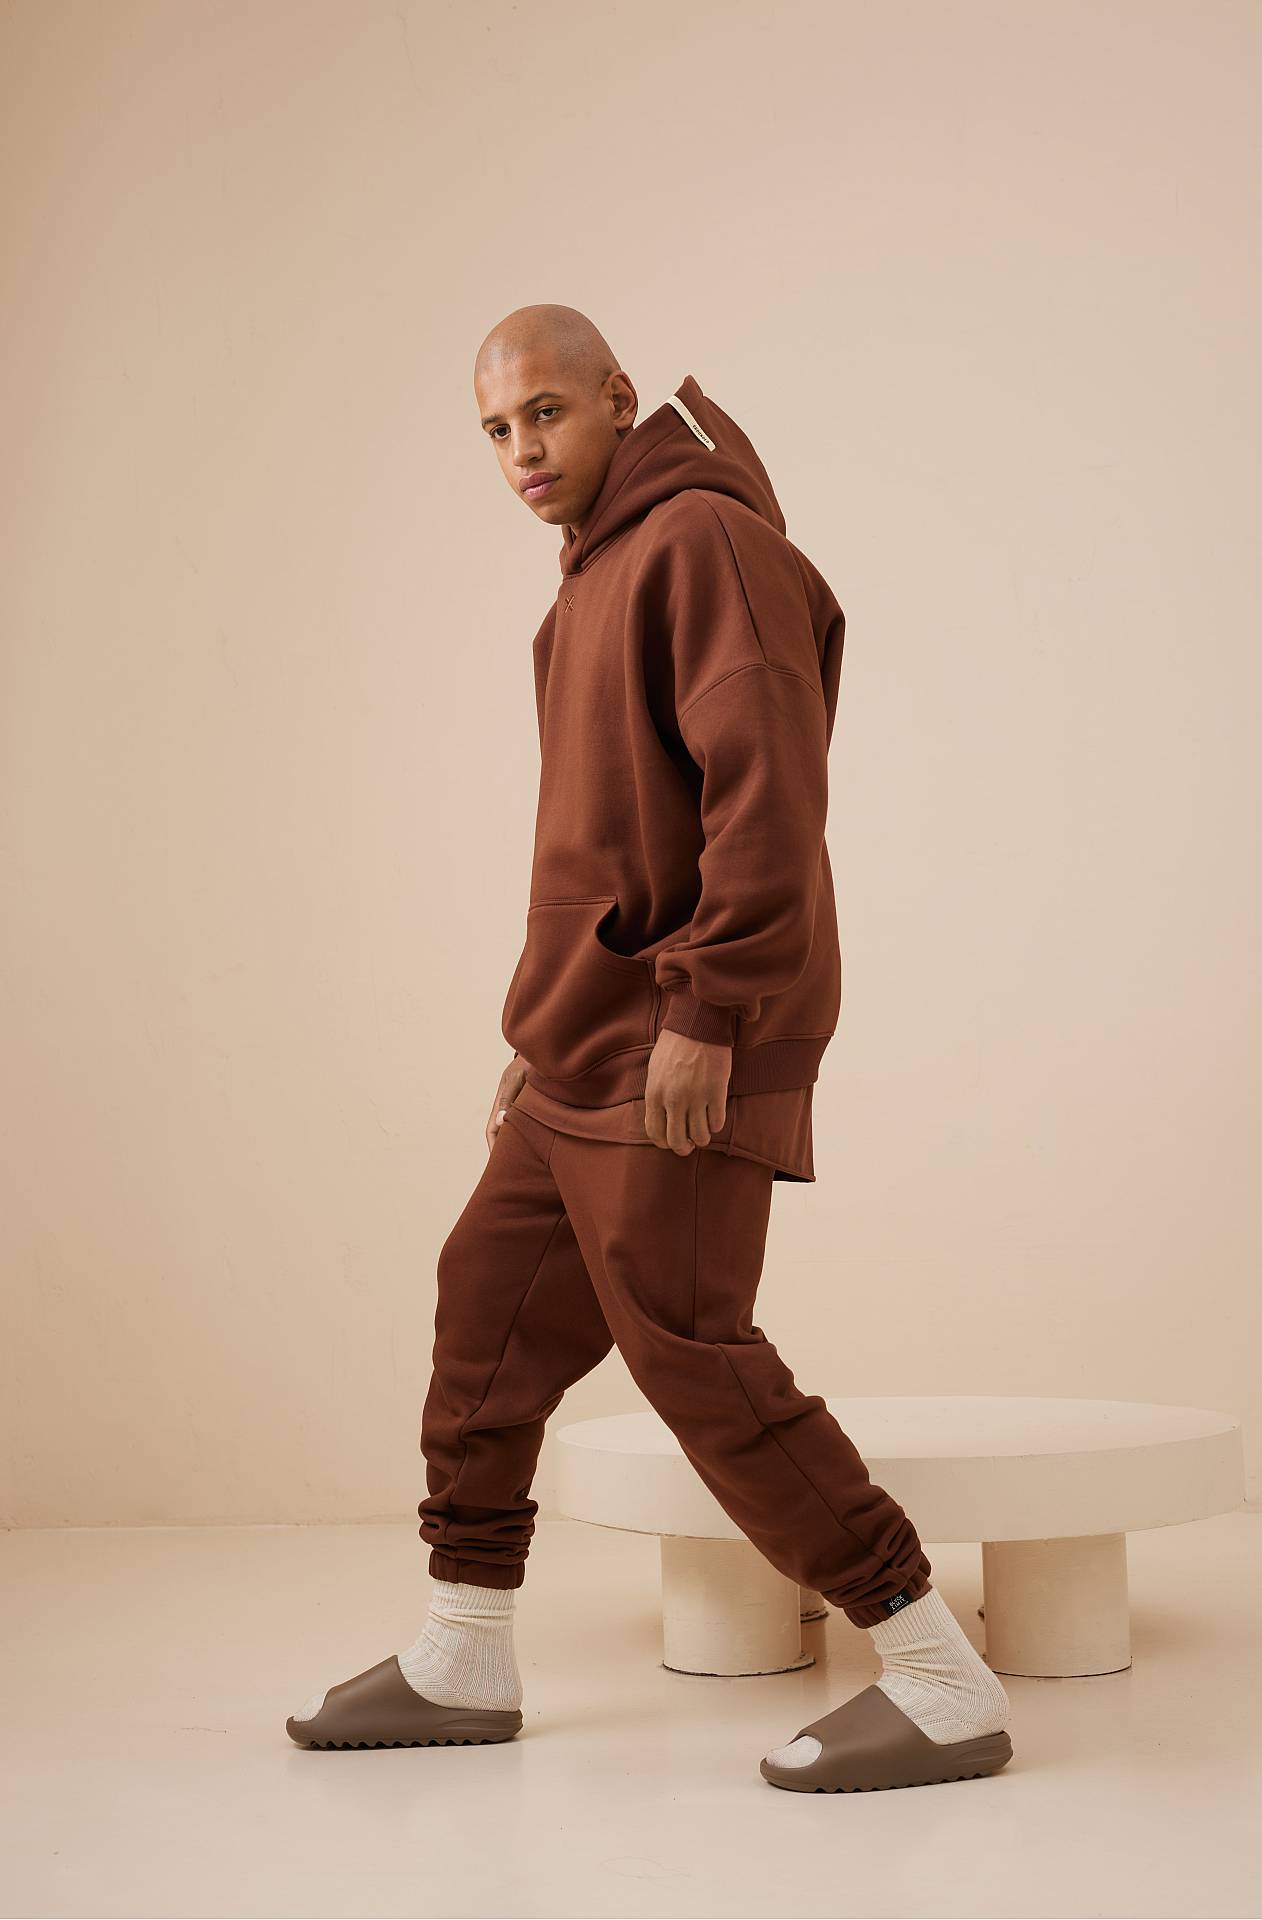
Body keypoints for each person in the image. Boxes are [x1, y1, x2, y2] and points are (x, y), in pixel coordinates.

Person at [285, 307, 1014, 1792]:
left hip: (689, 1036)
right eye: (496, 430)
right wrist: (550, 1020)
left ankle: (940, 1672)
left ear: (619, 399)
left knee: (692, 1349)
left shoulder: (704, 546)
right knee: (485, 1313)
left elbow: (769, 798)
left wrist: (707, 1011)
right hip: (587, 1044)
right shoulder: (586, 583)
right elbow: (603, 840)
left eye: (546, 413)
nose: (521, 450)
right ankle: (464, 1651)